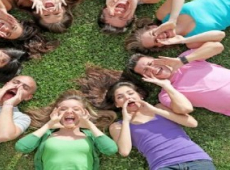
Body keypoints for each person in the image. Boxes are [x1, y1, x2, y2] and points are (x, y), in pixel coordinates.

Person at [76, 67, 216, 170]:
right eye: (120, 97)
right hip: (163, 165)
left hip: (196, 159)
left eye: (130, 93)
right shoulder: (118, 126)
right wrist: (126, 120)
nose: (127, 98)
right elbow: (124, 151)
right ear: (117, 104)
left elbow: (192, 123)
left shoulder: (159, 107)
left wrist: (154, 110)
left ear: (140, 96)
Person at [15, 90, 118, 170]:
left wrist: (89, 125)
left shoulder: (90, 135)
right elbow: (22, 147)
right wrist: (48, 125)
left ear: (85, 113)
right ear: (56, 112)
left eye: (76, 109)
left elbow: (110, 150)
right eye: (63, 109)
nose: (69, 111)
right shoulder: (47, 134)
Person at [127, 41, 230, 116]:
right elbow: (185, 109)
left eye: (150, 63)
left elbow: (217, 46)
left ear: (157, 59)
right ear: (146, 77)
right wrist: (167, 86)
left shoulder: (184, 59)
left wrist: (183, 60)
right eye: (146, 70)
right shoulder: (166, 95)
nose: (152, 68)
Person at [125, 0, 230, 52]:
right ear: (161, 46)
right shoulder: (191, 43)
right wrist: (183, 40)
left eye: (153, 34)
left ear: (152, 26)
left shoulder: (163, 15)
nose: (160, 37)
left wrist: (172, 20)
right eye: (156, 42)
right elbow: (220, 35)